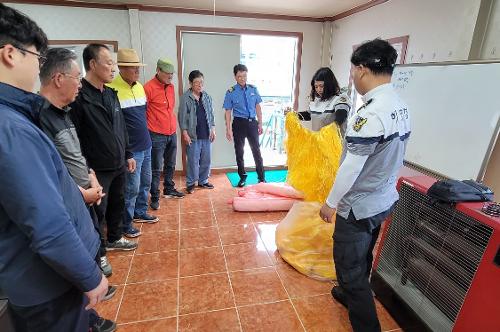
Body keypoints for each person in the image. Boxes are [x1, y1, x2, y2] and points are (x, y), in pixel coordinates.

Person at [0, 4, 108, 331]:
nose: (39, 67)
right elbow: (46, 222)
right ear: (10, 54)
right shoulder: (11, 127)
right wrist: (90, 277)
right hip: (47, 283)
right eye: (37, 57)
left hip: (45, 276)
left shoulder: (16, 117)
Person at [319, 39, 411, 332]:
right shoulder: (400, 105)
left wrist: (330, 203)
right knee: (365, 252)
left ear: (361, 69)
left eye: (353, 70)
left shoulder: (370, 114)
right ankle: (347, 295)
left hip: (357, 207)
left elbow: (351, 167)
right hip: (383, 200)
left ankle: (364, 318)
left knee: (350, 270)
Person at [38, 47, 117, 332]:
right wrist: (81, 193)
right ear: (59, 79)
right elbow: (50, 170)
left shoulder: (64, 112)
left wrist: (91, 176)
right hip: (72, 201)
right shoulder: (39, 119)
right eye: (76, 78)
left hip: (86, 191)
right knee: (76, 262)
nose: (80, 83)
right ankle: (87, 319)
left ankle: (89, 313)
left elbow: (75, 153)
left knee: (91, 244)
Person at [71, 43, 138, 253]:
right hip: (96, 169)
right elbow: (75, 139)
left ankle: (115, 238)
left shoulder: (111, 94)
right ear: (92, 64)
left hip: (118, 162)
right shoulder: (79, 98)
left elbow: (121, 129)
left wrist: (128, 153)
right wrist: (86, 170)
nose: (113, 68)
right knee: (97, 212)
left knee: (118, 202)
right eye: (109, 63)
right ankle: (98, 253)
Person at [107, 48, 158, 238]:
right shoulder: (112, 89)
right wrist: (126, 151)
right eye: (133, 68)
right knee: (131, 188)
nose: (137, 71)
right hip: (131, 150)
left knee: (145, 182)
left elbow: (142, 116)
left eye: (138, 67)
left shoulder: (139, 87)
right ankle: (126, 224)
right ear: (121, 67)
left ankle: (140, 212)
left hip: (146, 144)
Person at [145, 58, 185, 209]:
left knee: (170, 164)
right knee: (156, 168)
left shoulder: (171, 87)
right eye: (167, 74)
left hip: (171, 132)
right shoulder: (148, 88)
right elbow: (143, 113)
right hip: (155, 134)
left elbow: (170, 109)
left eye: (172, 74)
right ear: (158, 71)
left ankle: (169, 189)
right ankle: (154, 196)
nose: (170, 77)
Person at [223, 64, 265, 187]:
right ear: (235, 77)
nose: (242, 78)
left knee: (256, 151)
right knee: (239, 152)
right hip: (239, 124)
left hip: (252, 123)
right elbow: (228, 111)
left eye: (244, 75)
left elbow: (258, 107)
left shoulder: (253, 89)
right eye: (239, 76)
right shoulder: (231, 92)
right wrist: (228, 129)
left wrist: (260, 123)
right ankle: (242, 177)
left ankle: (261, 178)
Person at [178, 70, 216, 194]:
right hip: (193, 135)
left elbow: (211, 115)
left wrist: (213, 129)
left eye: (201, 82)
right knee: (193, 161)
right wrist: (184, 133)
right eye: (196, 82)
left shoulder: (207, 97)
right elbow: (182, 117)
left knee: (206, 160)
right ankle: (190, 183)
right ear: (190, 83)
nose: (199, 85)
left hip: (206, 134)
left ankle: (203, 180)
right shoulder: (185, 98)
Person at [299, 67, 352, 134]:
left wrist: (333, 127)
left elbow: (342, 115)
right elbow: (309, 115)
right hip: (318, 142)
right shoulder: (318, 101)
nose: (319, 89)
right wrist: (294, 114)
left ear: (329, 85)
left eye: (321, 86)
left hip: (333, 142)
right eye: (316, 87)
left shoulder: (340, 98)